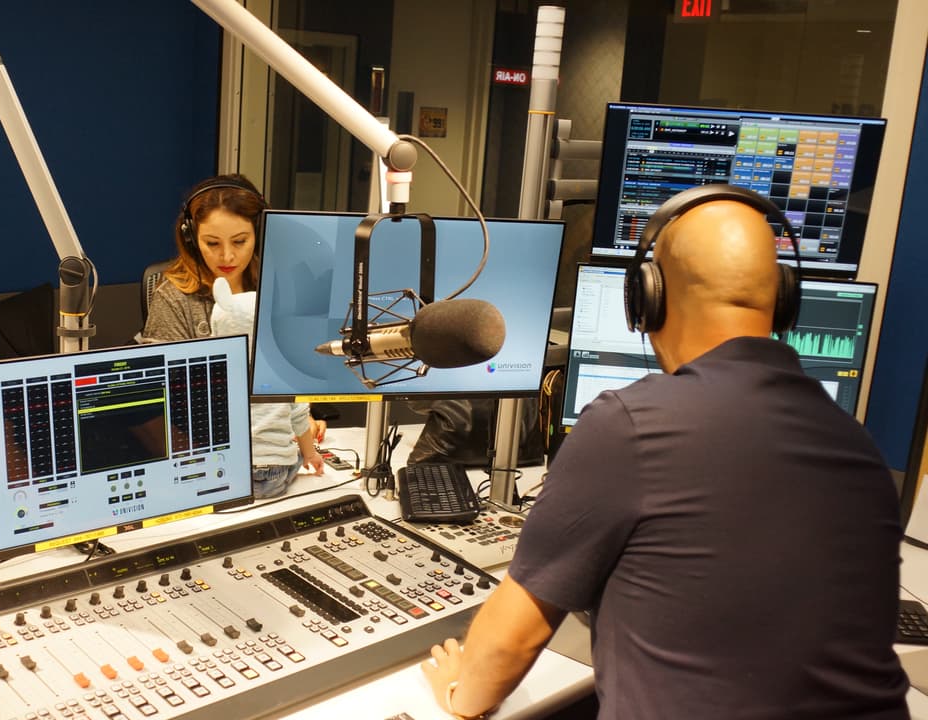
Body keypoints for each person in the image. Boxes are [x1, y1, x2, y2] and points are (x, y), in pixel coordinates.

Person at [420, 193, 909, 718]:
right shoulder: (860, 450)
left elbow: (507, 647)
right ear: (783, 302)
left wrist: (458, 695)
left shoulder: (630, 426)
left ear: (648, 299)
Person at [141, 174, 324, 498]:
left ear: (260, 234)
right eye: (212, 243)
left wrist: (301, 420)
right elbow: (153, 408)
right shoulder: (173, 299)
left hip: (274, 453)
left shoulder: (275, 287)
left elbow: (287, 372)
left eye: (239, 241)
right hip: (205, 460)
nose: (226, 257)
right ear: (191, 237)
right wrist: (200, 464)